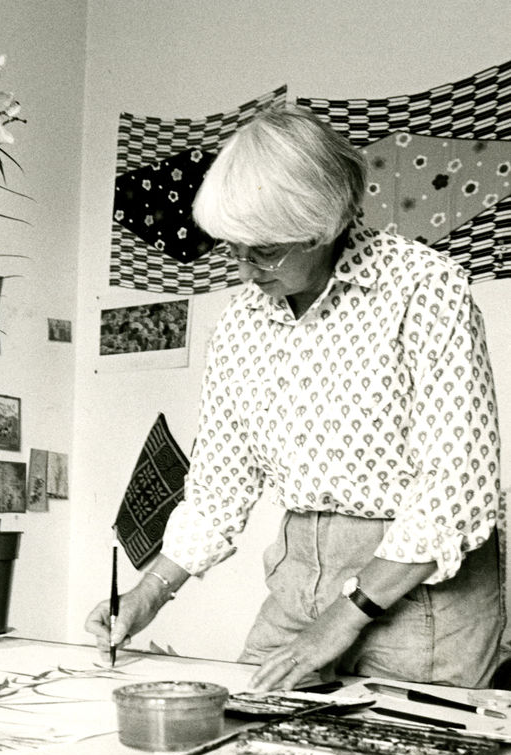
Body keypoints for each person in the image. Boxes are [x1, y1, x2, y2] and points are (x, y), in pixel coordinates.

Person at [85, 102, 503, 690]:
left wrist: (343, 617)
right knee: (242, 738)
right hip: (297, 577)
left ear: (326, 225)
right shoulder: (240, 324)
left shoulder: (424, 290)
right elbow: (217, 489)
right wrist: (146, 595)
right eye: (234, 248)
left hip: (421, 594)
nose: (246, 269)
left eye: (265, 250)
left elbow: (457, 487)